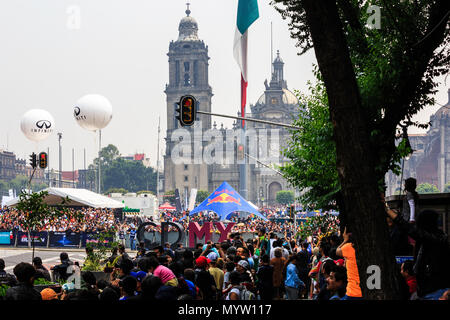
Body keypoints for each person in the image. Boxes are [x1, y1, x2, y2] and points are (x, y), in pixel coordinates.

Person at [386, 208, 450, 299]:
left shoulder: (434, 239)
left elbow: (411, 230)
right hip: (427, 291)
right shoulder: (428, 240)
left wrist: (388, 211)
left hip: (436, 291)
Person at [336, 228, 363, 300]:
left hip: (353, 292)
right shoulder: (369, 247)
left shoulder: (349, 247)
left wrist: (345, 240)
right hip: (366, 291)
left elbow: (337, 251)